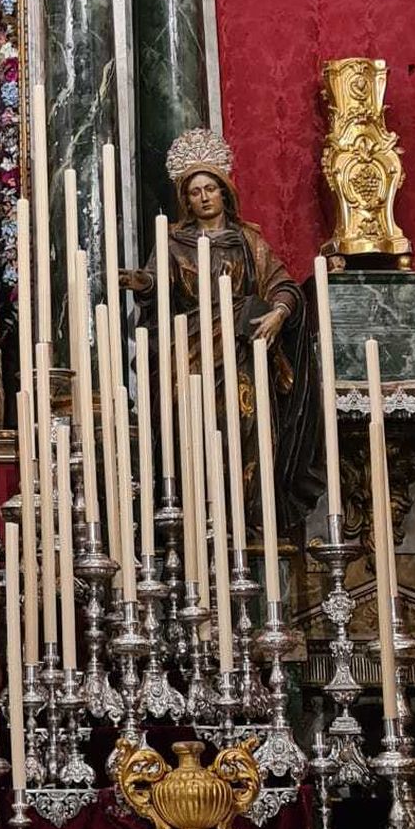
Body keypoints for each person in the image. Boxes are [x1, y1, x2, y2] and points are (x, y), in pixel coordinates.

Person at [130, 127, 321, 532]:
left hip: (240, 352)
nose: (203, 197)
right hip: (191, 351)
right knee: (193, 425)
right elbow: (156, 284)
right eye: (195, 190)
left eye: (210, 188)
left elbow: (281, 285)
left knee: (247, 424)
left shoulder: (248, 241)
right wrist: (140, 283)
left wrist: (279, 314)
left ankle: (248, 517)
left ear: (224, 192)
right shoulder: (172, 242)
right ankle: (200, 516)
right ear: (186, 198)